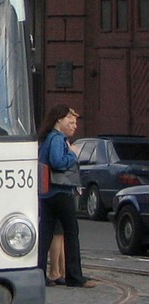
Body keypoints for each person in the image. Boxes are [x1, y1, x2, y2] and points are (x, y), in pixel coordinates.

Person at [37, 104, 94, 288]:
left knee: (45, 233)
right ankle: (74, 276)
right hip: (60, 191)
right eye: (70, 121)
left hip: (47, 193)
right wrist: (72, 154)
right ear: (59, 119)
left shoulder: (46, 138)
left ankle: (38, 274)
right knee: (71, 231)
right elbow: (58, 162)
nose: (74, 125)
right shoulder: (57, 139)